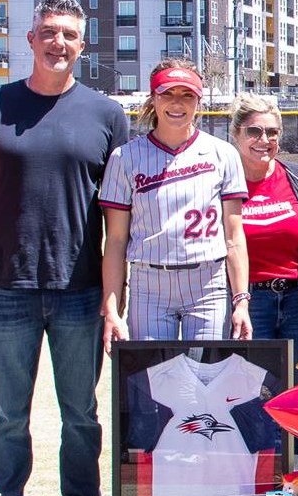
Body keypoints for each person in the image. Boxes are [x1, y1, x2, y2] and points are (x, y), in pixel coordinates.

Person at [0, 0, 130, 496]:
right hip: (4, 286)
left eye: (70, 35)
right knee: (9, 411)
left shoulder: (106, 114)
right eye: (49, 32)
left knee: (81, 411)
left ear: (82, 45)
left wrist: (115, 295)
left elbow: (119, 213)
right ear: (29, 39)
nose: (59, 43)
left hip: (79, 289)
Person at [99, 60, 251, 346]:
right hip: (149, 281)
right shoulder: (125, 158)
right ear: (153, 98)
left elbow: (234, 238)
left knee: (207, 378)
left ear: (198, 100)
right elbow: (116, 241)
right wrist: (111, 309)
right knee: (153, 381)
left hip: (208, 282)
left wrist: (241, 300)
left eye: (187, 95)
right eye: (167, 93)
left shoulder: (223, 154)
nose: (177, 103)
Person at [231, 93, 298, 456]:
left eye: (273, 132)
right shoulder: (223, 180)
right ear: (236, 133)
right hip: (250, 301)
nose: (265, 140)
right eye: (255, 131)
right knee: (253, 396)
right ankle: (260, 484)